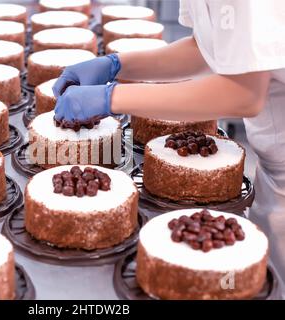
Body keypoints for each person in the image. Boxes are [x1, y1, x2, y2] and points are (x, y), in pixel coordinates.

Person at [53, 0, 285, 286]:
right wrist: (117, 64)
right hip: (273, 163)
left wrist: (112, 97)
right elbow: (203, 50)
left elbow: (244, 94)